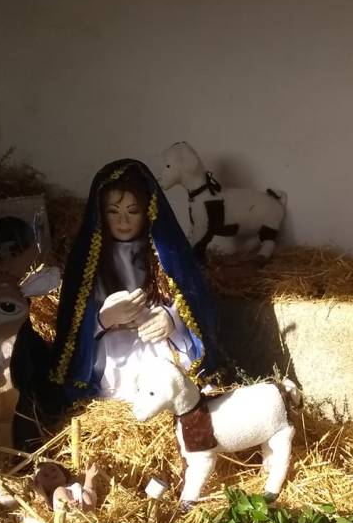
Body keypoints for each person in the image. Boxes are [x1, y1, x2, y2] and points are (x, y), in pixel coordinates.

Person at [12, 159, 219, 418]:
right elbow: (73, 324)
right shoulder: (88, 261)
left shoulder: (165, 254)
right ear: (100, 213)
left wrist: (171, 318)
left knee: (170, 382)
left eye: (133, 211)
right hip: (113, 350)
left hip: (160, 343)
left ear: (148, 212)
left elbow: (192, 299)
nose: (123, 221)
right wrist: (102, 319)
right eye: (113, 211)